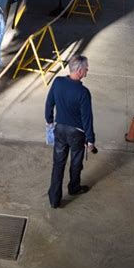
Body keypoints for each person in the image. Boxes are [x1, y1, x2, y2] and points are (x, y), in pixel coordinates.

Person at [45, 54, 95, 208]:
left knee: (58, 164)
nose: (87, 72)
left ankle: (54, 199)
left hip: (59, 130)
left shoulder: (58, 82)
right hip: (76, 134)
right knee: (75, 162)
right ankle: (74, 187)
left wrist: (49, 121)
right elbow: (87, 118)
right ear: (79, 71)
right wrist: (90, 139)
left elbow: (49, 103)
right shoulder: (83, 92)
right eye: (86, 69)